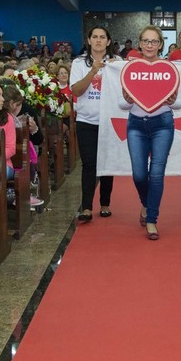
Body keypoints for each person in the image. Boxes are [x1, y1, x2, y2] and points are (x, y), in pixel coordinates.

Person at [121, 27, 181, 240]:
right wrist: (127, 100)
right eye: (146, 41)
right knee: (139, 174)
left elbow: (180, 102)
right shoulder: (130, 68)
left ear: (160, 44)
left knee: (156, 173)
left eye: (154, 41)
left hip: (162, 124)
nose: (149, 45)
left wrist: (173, 100)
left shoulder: (169, 68)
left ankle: (152, 219)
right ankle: (146, 204)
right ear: (139, 43)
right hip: (136, 125)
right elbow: (122, 104)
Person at [70, 26, 118, 222]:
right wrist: (93, 71)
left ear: (108, 41)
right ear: (89, 41)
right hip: (86, 120)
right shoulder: (79, 63)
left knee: (107, 165)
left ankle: (105, 204)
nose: (98, 40)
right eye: (95, 37)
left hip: (109, 121)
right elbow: (76, 91)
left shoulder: (117, 62)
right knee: (89, 164)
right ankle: (87, 207)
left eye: (102, 37)